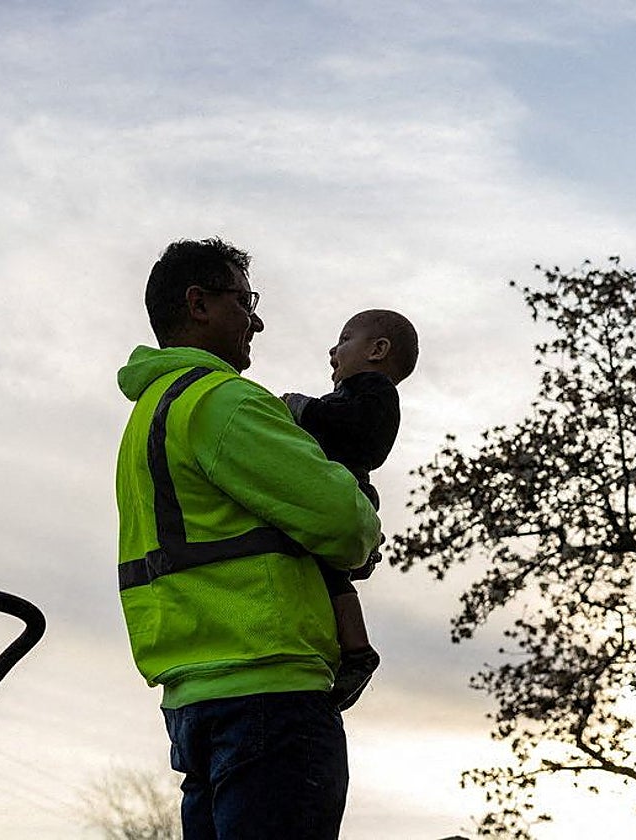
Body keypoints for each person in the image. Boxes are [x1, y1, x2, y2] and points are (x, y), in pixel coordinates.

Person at [115, 237, 380, 840]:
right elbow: (346, 525)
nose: (256, 319)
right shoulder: (223, 403)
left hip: (194, 701)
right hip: (271, 694)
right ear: (198, 303)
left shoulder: (149, 416)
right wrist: (361, 505)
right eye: (244, 299)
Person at [281, 309, 419, 711]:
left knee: (332, 576)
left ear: (377, 350)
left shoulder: (374, 391)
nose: (332, 350)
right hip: (335, 492)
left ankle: (357, 650)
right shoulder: (352, 394)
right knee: (327, 577)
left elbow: (365, 437)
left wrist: (304, 409)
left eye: (344, 339)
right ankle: (349, 647)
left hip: (349, 491)